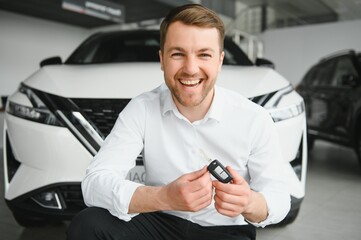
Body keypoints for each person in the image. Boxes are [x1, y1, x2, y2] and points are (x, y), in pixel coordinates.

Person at [67, 4, 291, 240]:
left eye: (204, 54)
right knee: (88, 224)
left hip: (224, 231)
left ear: (220, 61)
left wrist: (249, 202)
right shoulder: (142, 108)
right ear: (162, 60)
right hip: (157, 222)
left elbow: (279, 198)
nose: (191, 69)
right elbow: (94, 183)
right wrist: (163, 197)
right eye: (178, 54)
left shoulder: (254, 117)